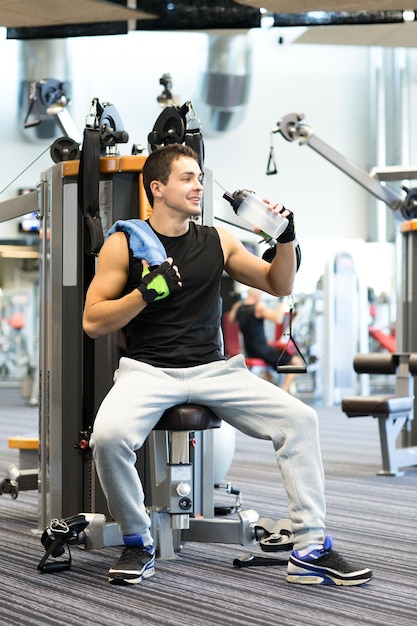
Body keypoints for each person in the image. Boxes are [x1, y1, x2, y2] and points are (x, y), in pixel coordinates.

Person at [82, 143, 372, 587]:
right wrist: (145, 293)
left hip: (215, 371)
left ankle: (311, 546)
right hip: (148, 371)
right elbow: (92, 322)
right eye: (187, 178)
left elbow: (279, 283)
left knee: (300, 419)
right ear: (157, 188)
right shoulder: (125, 243)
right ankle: (137, 540)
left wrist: (286, 237)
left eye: (199, 176)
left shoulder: (218, 239)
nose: (199, 185)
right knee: (108, 438)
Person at [229, 288, 303, 393]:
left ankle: (269, 391)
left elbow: (231, 320)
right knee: (297, 363)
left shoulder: (238, 307)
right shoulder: (258, 307)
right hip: (261, 350)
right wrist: (281, 300)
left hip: (249, 351)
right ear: (257, 296)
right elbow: (278, 319)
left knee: (269, 373)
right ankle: (284, 392)